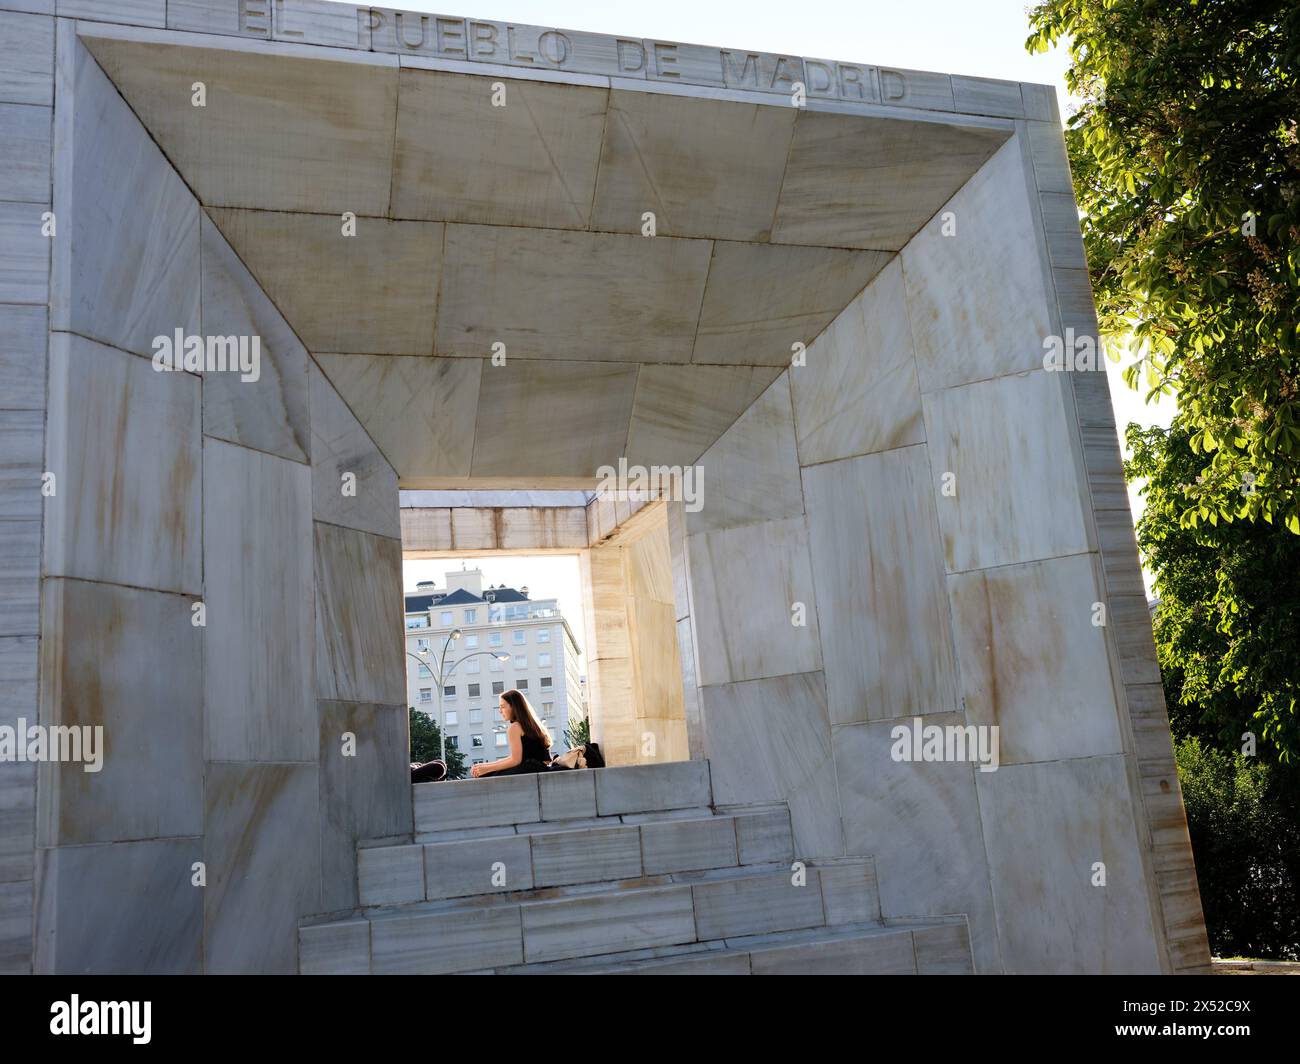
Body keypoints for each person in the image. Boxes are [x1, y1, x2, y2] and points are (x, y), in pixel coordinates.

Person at [470, 689, 553, 778]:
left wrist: (486, 769)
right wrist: (484, 766)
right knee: (487, 772)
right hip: (538, 769)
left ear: (513, 707)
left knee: (486, 775)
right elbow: (515, 757)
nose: (500, 711)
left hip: (528, 770)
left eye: (502, 707)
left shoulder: (515, 727)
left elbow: (515, 760)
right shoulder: (534, 725)